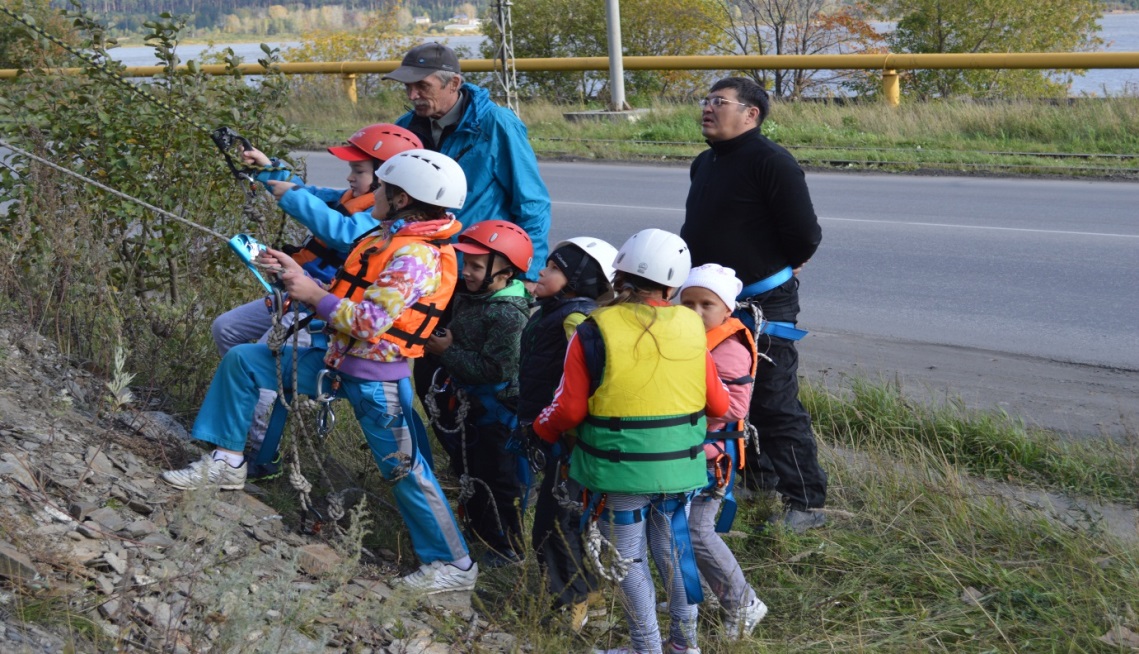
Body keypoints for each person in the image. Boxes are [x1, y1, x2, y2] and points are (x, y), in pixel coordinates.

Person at [161, 149, 479, 593]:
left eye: (383, 189)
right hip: (336, 363)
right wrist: (296, 275)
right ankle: (227, 461)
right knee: (247, 362)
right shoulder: (387, 238)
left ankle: (454, 566)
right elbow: (348, 294)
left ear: (403, 199)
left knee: (405, 470)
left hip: (376, 381)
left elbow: (368, 322)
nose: (375, 196)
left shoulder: (416, 257)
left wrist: (311, 294)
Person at [532, 229, 730, 654]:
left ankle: (646, 647)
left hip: (619, 470)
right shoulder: (693, 328)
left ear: (619, 274)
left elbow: (567, 410)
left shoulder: (593, 329)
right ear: (673, 285)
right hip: (681, 467)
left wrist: (540, 431)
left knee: (629, 561)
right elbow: (720, 403)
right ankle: (685, 645)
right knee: (672, 548)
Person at [209, 124, 423, 479]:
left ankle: (262, 453)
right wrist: (268, 168)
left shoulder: (380, 220)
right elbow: (309, 192)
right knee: (226, 329)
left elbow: (342, 231)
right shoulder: (352, 198)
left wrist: (290, 196)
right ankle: (245, 423)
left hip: (321, 311)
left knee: (263, 363)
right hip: (294, 295)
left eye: (359, 171)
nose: (350, 177)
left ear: (391, 183)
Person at [681, 76, 828, 532]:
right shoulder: (704, 163)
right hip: (713, 303)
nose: (708, 108)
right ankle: (757, 478)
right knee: (728, 392)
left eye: (719, 102)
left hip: (765, 302)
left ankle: (806, 500)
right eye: (706, 100)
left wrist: (782, 264)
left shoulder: (773, 163)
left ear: (751, 114)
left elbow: (804, 235)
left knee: (774, 397)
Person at [383, 42, 551, 284]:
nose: (412, 96)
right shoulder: (405, 127)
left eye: (422, 86)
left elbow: (531, 203)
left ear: (454, 84)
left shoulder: (496, 124)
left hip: (475, 273)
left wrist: (528, 275)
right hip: (416, 266)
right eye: (407, 87)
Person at [519, 237, 617, 631]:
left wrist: (558, 428)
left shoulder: (575, 320)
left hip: (568, 440)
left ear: (578, 280)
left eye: (555, 268)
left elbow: (586, 384)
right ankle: (592, 600)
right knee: (566, 520)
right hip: (559, 437)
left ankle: (571, 607)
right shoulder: (558, 310)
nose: (542, 271)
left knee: (553, 524)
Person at [422, 220, 533, 567]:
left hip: (495, 414)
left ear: (504, 272)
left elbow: (496, 370)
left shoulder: (508, 315)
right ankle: (479, 532)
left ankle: (507, 548)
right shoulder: (476, 296)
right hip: (469, 407)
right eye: (464, 262)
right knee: (470, 472)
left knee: (497, 480)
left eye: (475, 266)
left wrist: (446, 353)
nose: (466, 272)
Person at [676, 264, 768, 639]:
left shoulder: (729, 348)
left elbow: (733, 408)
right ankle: (702, 595)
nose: (696, 312)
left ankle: (744, 603)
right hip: (685, 453)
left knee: (697, 531)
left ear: (727, 310)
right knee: (675, 528)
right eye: (688, 303)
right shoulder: (688, 339)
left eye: (706, 304)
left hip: (713, 459)